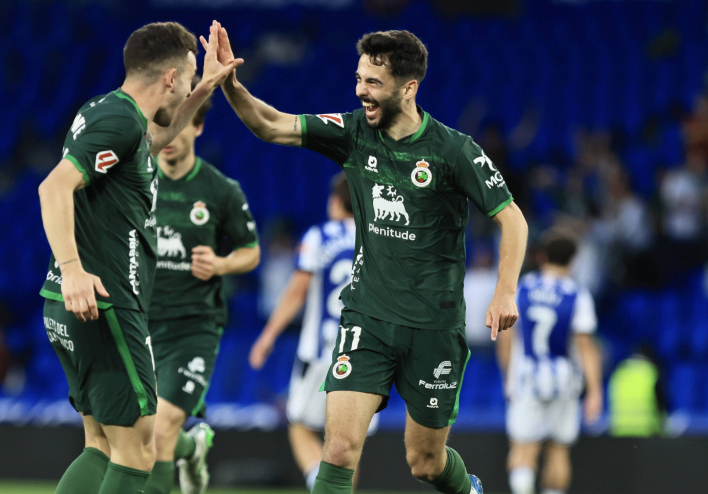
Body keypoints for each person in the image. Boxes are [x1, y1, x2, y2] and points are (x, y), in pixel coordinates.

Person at [220, 26, 528, 494]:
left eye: (373, 83)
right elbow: (272, 124)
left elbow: (514, 221)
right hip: (367, 316)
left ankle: (468, 489)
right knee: (339, 448)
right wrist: (231, 86)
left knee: (424, 462)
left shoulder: (453, 150)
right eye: (359, 78)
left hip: (433, 326)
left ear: (409, 88)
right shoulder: (353, 132)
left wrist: (505, 291)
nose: (360, 91)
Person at [37, 21, 242, 494]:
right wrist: (73, 270)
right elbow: (54, 187)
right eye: (190, 76)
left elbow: (150, 145)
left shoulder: (109, 113)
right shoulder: (120, 120)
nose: (191, 86)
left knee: (101, 444)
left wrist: (209, 85)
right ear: (169, 78)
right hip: (105, 297)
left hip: (74, 302)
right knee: (139, 450)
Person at [143, 77, 260, 494]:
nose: (169, 133)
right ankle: (192, 448)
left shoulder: (220, 190)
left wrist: (222, 262)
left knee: (158, 430)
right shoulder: (136, 182)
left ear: (198, 127)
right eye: (162, 123)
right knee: (139, 436)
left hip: (193, 327)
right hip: (139, 324)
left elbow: (251, 251)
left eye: (181, 122)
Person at [250, 172, 378, 492]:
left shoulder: (319, 237)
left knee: (299, 426)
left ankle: (316, 482)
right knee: (350, 442)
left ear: (336, 202)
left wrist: (267, 336)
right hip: (367, 355)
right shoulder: (380, 239)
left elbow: (297, 291)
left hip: (321, 350)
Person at [496, 234, 602, 494]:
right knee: (558, 450)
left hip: (527, 377)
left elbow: (506, 337)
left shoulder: (523, 289)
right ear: (573, 261)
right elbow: (585, 347)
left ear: (542, 256)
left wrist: (508, 375)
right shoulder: (577, 295)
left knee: (523, 447)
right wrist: (595, 391)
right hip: (565, 380)